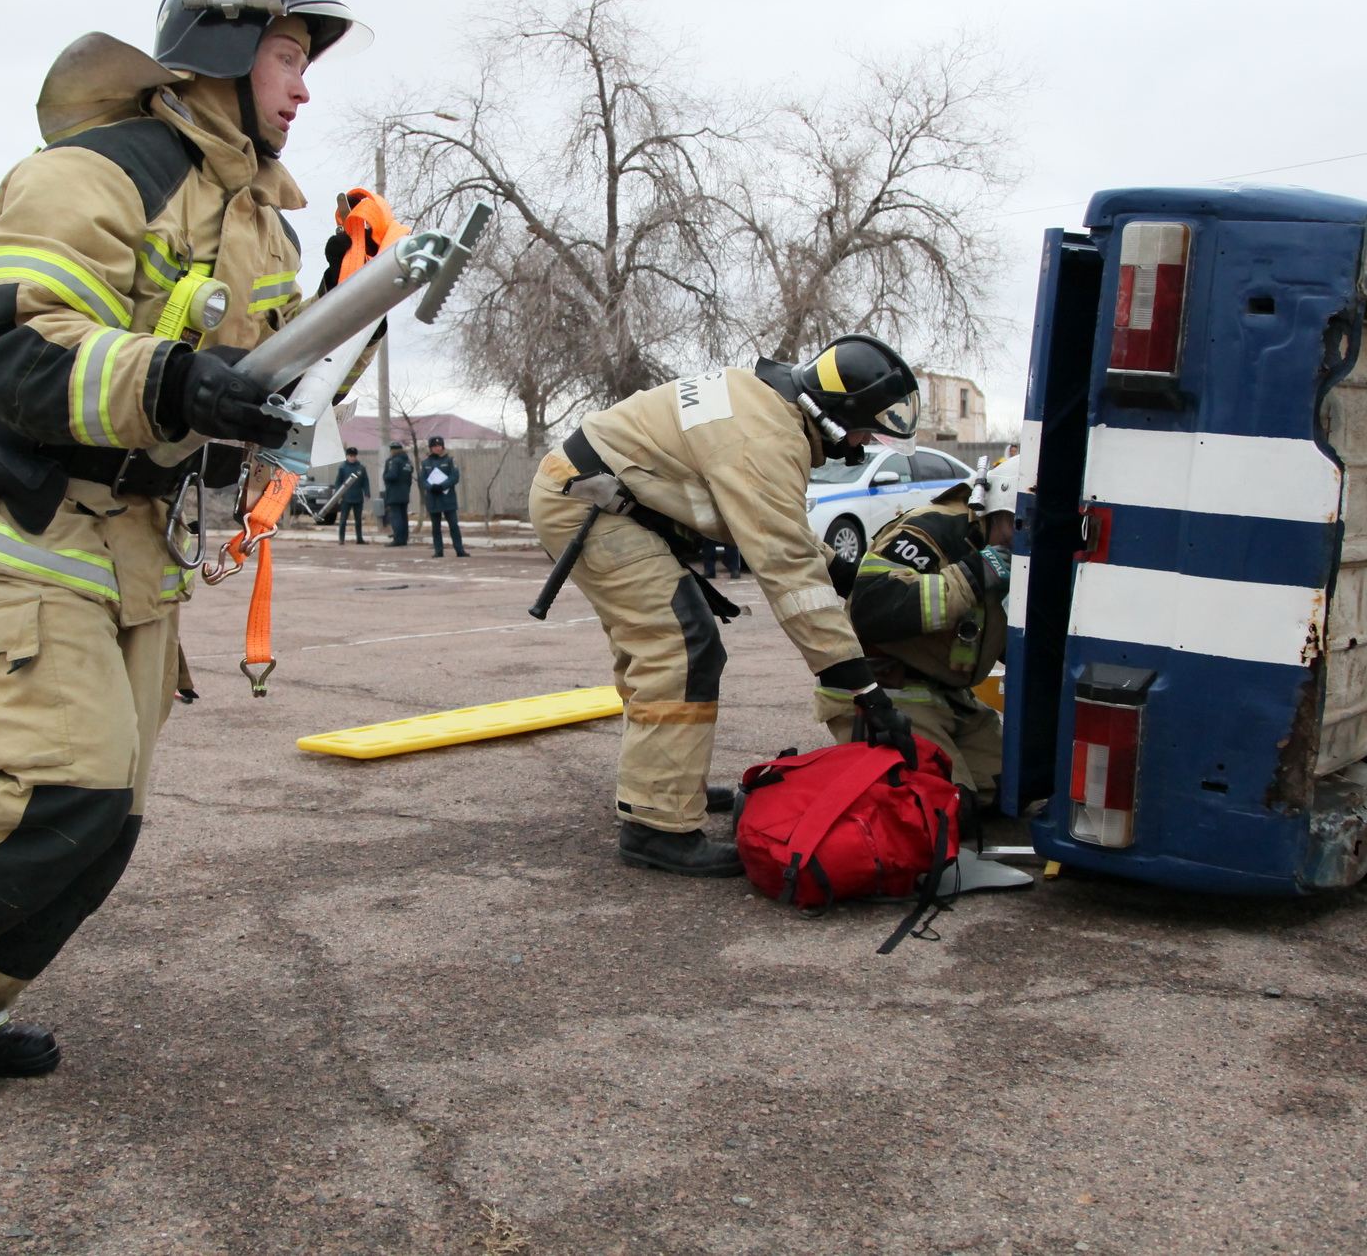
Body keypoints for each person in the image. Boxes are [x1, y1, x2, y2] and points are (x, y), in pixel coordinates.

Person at [0, 0, 365, 1098]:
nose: (304, 88)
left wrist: (345, 296)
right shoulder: (95, 171)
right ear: (224, 53)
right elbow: (16, 342)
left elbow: (259, 392)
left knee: (104, 821)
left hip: (139, 553)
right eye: (287, 56)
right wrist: (177, 379)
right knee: (48, 785)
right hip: (34, 533)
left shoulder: (259, 223)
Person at [528, 337, 923, 877]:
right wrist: (867, 693)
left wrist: (851, 576)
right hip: (589, 505)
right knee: (679, 646)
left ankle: (666, 788)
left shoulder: (765, 406)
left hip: (593, 494)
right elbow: (789, 575)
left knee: (666, 643)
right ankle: (655, 829)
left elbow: (777, 531)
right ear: (837, 416)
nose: (862, 443)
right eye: (865, 430)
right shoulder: (765, 437)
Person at [819, 455, 1015, 804]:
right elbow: (873, 609)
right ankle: (805, 793)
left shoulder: (1017, 554)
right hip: (888, 690)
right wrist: (973, 575)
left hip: (948, 694)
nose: (1027, 539)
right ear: (1000, 506)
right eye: (1022, 525)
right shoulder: (934, 530)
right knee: (944, 808)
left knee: (1015, 787)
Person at [423, 435, 466, 557]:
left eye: (439, 445)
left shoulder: (449, 460)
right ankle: (438, 550)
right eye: (435, 446)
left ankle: (459, 549)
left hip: (448, 498)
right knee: (435, 527)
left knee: (453, 525)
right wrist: (431, 487)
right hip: (433, 498)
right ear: (431, 448)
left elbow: (454, 477)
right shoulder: (425, 462)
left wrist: (442, 486)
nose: (438, 448)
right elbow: (423, 480)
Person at [332, 446, 370, 544]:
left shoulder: (361, 468)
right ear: (347, 456)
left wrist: (367, 493)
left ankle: (359, 539)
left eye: (354, 456)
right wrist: (338, 494)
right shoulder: (343, 468)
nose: (352, 458)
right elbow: (338, 482)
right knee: (343, 519)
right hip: (346, 497)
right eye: (350, 456)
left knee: (358, 520)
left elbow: (365, 482)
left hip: (358, 497)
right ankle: (341, 539)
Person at [381, 440, 413, 546]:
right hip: (405, 492)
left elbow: (392, 475)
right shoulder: (407, 462)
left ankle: (398, 539)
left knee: (396, 516)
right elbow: (409, 478)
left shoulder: (393, 461)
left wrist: (385, 476)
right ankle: (404, 538)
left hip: (394, 492)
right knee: (404, 516)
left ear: (393, 450)